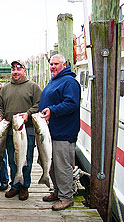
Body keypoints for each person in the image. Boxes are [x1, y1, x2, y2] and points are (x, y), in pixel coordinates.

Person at [0, 60, 42, 201]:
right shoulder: (5, 88)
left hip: (26, 131)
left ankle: (24, 187)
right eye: (13, 69)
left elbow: (39, 104)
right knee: (12, 159)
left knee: (26, 160)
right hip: (9, 130)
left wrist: (28, 113)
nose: (15, 71)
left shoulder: (33, 87)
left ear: (24, 71)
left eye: (18, 69)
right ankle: (14, 185)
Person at [39, 54, 80, 211]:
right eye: (51, 64)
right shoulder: (55, 80)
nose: (53, 67)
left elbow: (71, 103)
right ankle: (57, 191)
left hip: (63, 133)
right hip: (51, 133)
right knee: (52, 166)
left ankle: (66, 197)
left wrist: (52, 110)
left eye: (56, 64)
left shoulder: (69, 82)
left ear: (64, 65)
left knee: (62, 166)